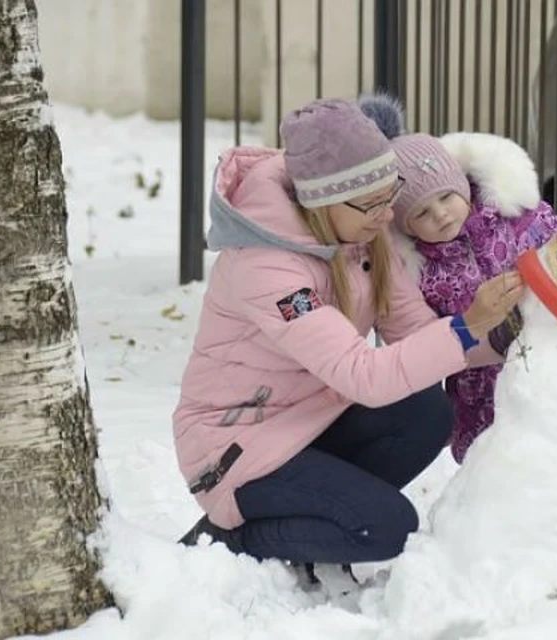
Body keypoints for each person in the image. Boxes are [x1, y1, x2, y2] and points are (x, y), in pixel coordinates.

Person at [173, 98, 522, 583]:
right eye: (373, 204)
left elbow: (415, 334)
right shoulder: (268, 270)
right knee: (385, 529)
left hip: (311, 419)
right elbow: (364, 376)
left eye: (389, 195)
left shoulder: (360, 228)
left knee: (427, 411)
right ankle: (226, 537)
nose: (387, 216)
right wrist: (466, 325)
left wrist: (506, 334)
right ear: (321, 200)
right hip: (234, 449)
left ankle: (320, 513)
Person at [358, 93, 557, 464]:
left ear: (461, 184)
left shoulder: (517, 220)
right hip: (487, 393)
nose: (441, 214)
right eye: (422, 213)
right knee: (510, 474)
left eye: (445, 197)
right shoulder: (421, 273)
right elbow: (428, 339)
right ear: (404, 226)